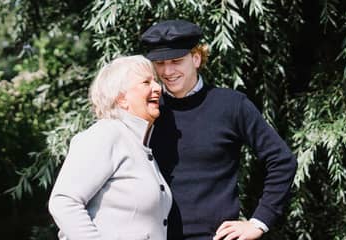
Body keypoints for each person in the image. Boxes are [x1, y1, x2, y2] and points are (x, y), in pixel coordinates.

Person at [141, 20, 298, 240]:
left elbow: (282, 160)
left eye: (176, 61)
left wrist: (259, 222)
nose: (167, 71)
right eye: (160, 63)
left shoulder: (232, 105)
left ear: (196, 59)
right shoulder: (148, 110)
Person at [48, 55, 172, 240]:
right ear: (122, 99)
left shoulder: (139, 144)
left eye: (154, 81)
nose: (158, 88)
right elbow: (64, 201)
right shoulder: (106, 134)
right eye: (146, 82)